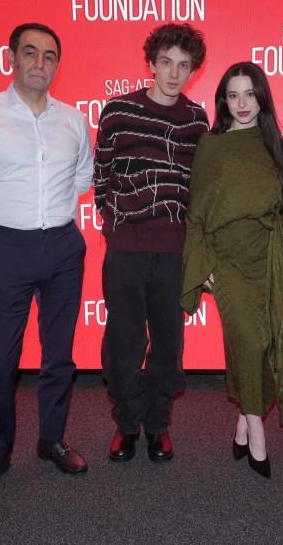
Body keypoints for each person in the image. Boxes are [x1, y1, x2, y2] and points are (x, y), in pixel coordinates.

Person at [0, 22, 93, 500]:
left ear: (56, 65)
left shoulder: (72, 120)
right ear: (12, 57)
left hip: (64, 248)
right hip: (4, 248)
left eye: (49, 56)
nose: (39, 63)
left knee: (60, 357)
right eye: (30, 53)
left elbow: (83, 178)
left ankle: (51, 440)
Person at [181, 62, 283, 478]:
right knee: (251, 339)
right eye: (233, 95)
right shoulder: (211, 145)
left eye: (249, 94)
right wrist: (202, 265)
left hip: (270, 257)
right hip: (227, 260)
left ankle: (243, 424)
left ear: (262, 97)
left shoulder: (274, 142)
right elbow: (196, 214)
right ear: (223, 100)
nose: (242, 103)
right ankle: (258, 434)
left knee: (262, 341)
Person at [93, 23, 208, 462]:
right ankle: (126, 424)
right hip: (126, 247)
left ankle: (158, 425)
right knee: (122, 340)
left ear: (193, 70)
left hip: (174, 249)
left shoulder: (197, 119)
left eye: (184, 65)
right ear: (151, 62)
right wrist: (120, 225)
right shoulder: (118, 110)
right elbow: (101, 177)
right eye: (166, 62)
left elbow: (196, 188)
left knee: (168, 340)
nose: (174, 73)